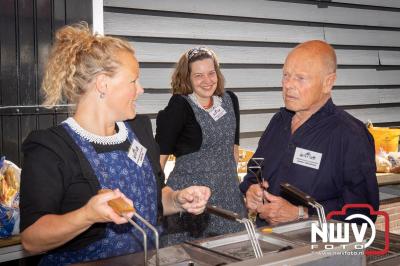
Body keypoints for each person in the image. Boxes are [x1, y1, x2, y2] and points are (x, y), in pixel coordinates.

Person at [19, 23, 211, 265]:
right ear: (103, 84)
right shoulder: (51, 148)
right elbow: (32, 238)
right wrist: (87, 215)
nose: (140, 89)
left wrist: (176, 199)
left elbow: (153, 196)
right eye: (133, 81)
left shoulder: (139, 130)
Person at [239, 40, 379, 226]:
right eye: (286, 75)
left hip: (319, 250)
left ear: (328, 83)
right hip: (268, 244)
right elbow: (256, 168)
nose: (288, 85)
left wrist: (302, 214)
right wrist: (251, 188)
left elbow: (363, 213)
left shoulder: (350, 135)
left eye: (300, 78)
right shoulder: (278, 121)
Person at [156, 47, 247, 245]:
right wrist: (158, 200)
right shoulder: (179, 106)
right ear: (186, 77)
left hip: (228, 199)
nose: (207, 80)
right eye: (198, 75)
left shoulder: (230, 100)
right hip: (191, 203)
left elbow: (233, 152)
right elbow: (158, 162)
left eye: (211, 73)